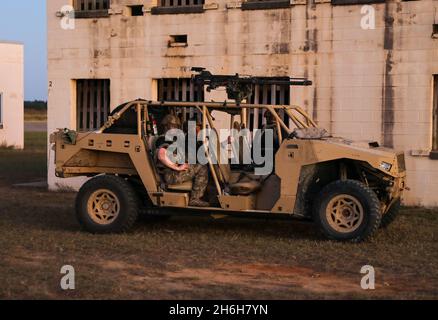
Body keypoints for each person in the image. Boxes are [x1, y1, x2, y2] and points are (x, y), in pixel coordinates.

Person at [155, 114, 210, 208]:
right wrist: (177, 167)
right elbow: (161, 154)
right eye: (174, 126)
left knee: (203, 162)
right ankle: (195, 199)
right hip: (171, 174)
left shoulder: (174, 139)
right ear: (167, 126)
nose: (175, 128)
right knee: (202, 167)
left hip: (176, 171)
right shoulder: (164, 139)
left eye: (176, 126)